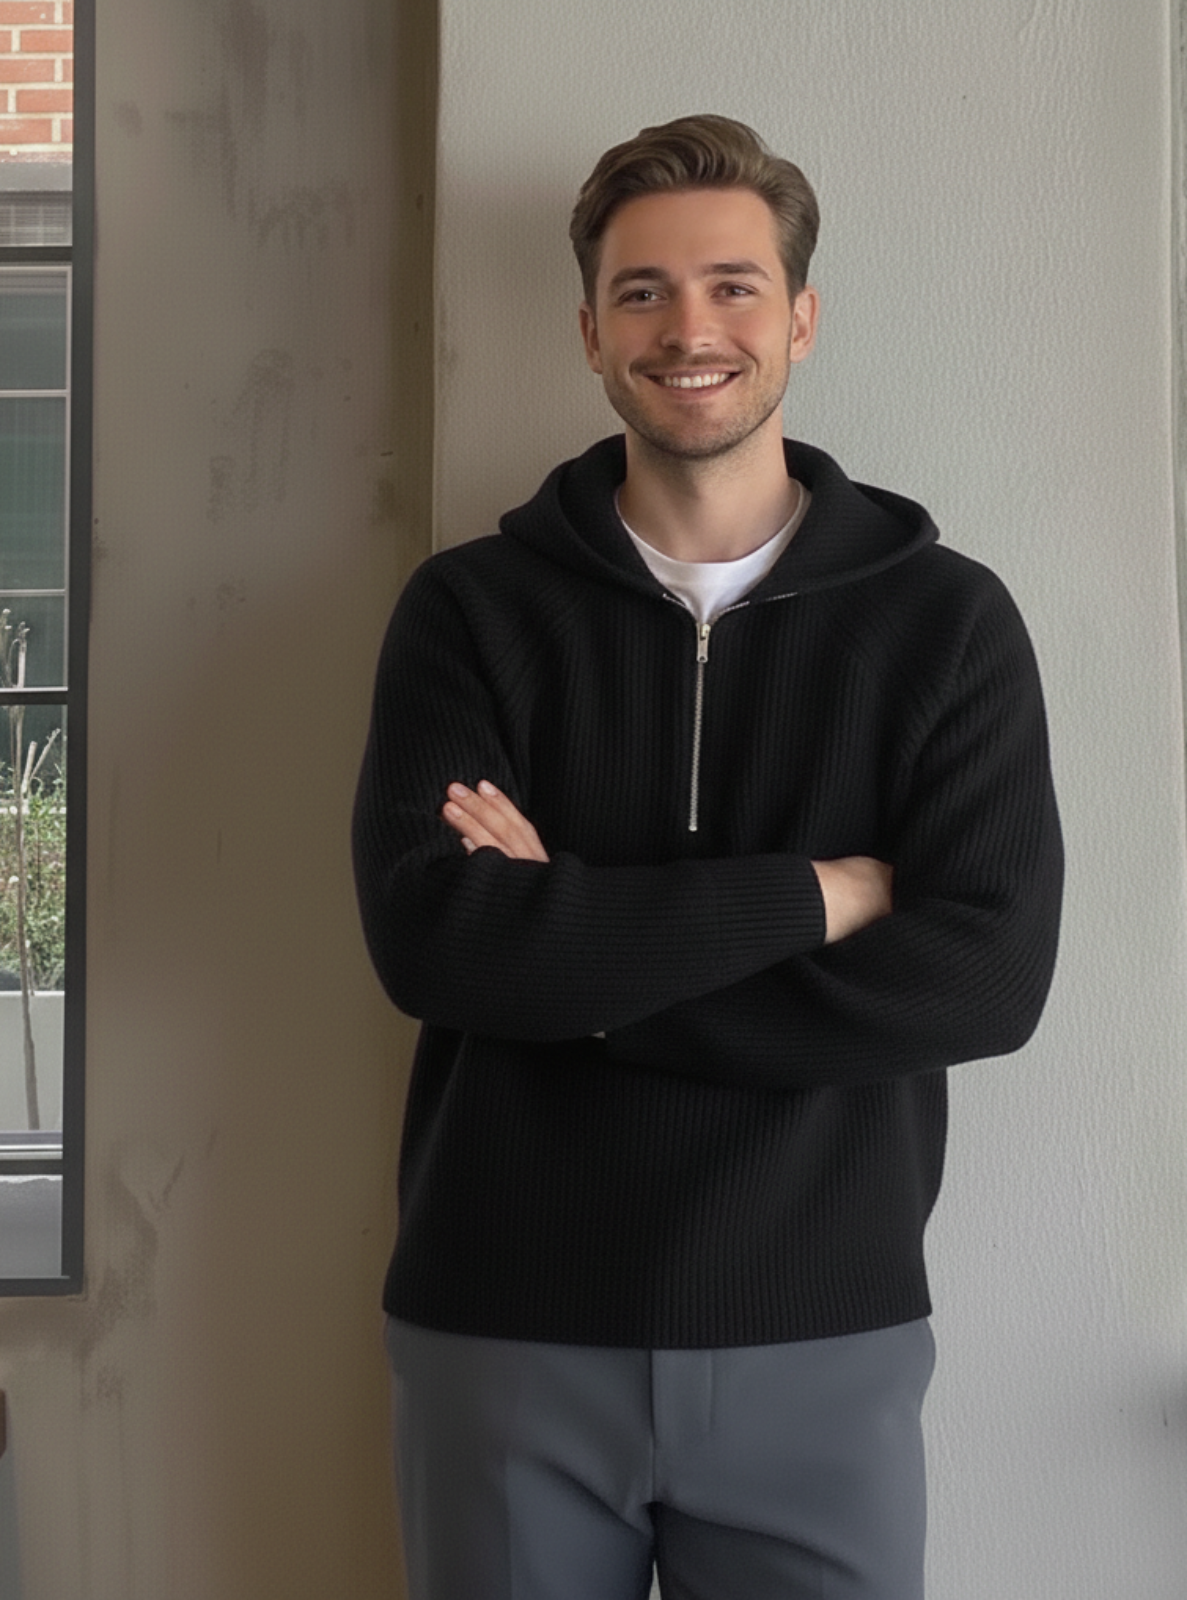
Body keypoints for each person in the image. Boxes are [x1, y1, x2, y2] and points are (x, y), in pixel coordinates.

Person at [352, 114, 1063, 1600]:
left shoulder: (944, 622)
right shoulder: (469, 612)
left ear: (799, 318)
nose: (691, 329)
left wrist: (583, 967)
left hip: (820, 1329)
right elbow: (438, 946)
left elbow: (983, 980)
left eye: (734, 287)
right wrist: (822, 894)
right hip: (506, 1321)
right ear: (588, 333)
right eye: (643, 293)